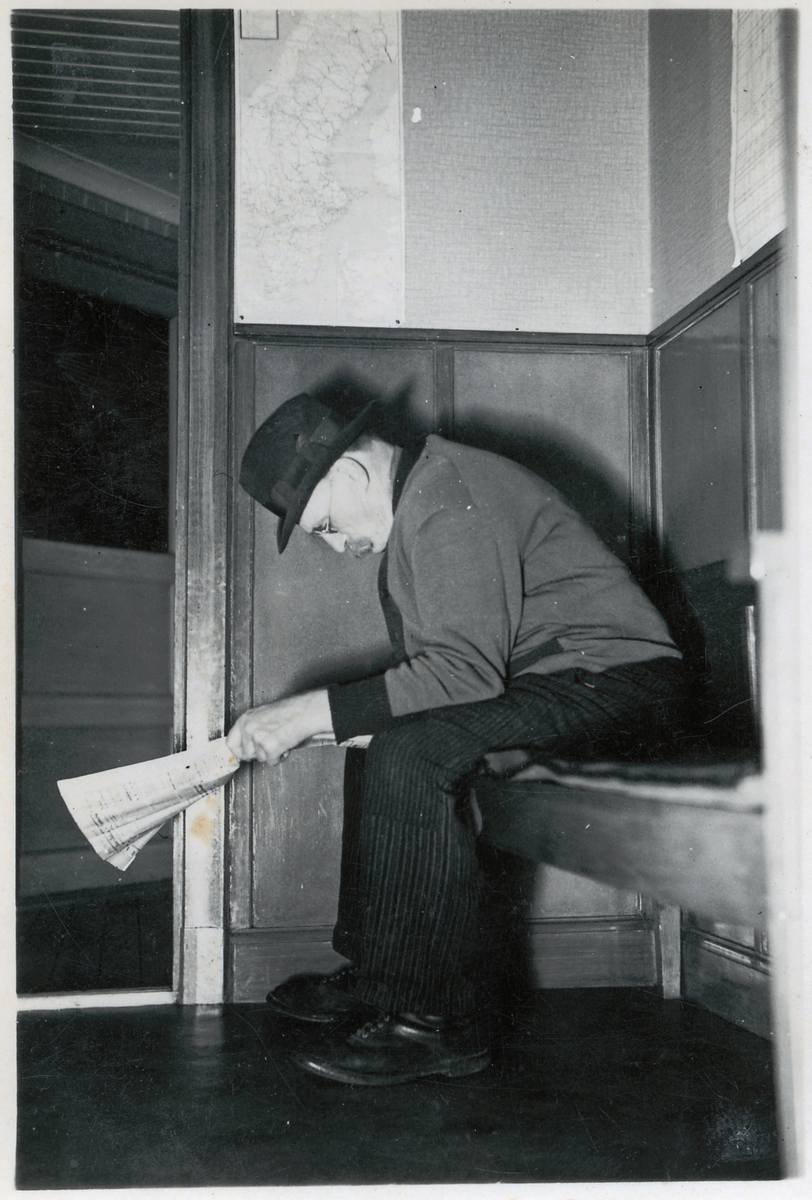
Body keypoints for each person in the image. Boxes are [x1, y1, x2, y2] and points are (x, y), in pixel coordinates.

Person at [227, 391, 686, 1086]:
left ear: (349, 473)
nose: (340, 548)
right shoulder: (424, 500)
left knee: (407, 748)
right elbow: (445, 680)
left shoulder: (447, 497)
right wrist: (340, 719)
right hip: (563, 686)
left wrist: (308, 713)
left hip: (628, 692)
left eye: (325, 526)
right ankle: (379, 974)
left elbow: (462, 674)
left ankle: (430, 1018)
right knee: (379, 744)